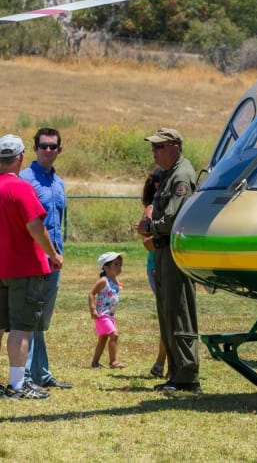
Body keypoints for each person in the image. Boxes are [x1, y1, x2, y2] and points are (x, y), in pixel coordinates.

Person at [136, 128, 201, 392]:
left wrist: (150, 226)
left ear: (174, 147)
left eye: (159, 147)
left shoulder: (182, 175)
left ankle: (186, 375)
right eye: (153, 147)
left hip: (174, 251)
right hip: (163, 251)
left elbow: (174, 217)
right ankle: (177, 374)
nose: (154, 152)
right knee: (167, 312)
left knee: (179, 311)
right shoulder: (170, 174)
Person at [0, 134, 63, 400]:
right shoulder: (21, 187)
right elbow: (35, 227)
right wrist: (53, 253)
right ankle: (17, 384)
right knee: (21, 328)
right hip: (24, 268)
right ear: (21, 157)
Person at [19, 127, 73, 390]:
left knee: (41, 319)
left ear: (59, 149)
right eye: (43, 146)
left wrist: (58, 253)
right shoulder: (24, 180)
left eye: (53, 146)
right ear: (35, 148)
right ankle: (26, 376)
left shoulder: (59, 182)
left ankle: (41, 373)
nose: (48, 150)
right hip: (32, 258)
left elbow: (58, 223)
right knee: (29, 316)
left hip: (55, 259)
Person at [141, 168, 167, 378]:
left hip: (165, 264)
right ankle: (160, 363)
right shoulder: (152, 208)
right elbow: (147, 243)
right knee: (168, 316)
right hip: (158, 265)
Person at [89, 251, 125, 369]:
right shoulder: (103, 280)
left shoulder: (116, 281)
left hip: (110, 316)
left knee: (103, 339)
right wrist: (93, 310)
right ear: (106, 268)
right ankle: (113, 362)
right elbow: (91, 294)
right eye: (116, 264)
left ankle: (95, 363)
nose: (119, 267)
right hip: (102, 315)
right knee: (114, 335)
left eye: (120, 264)